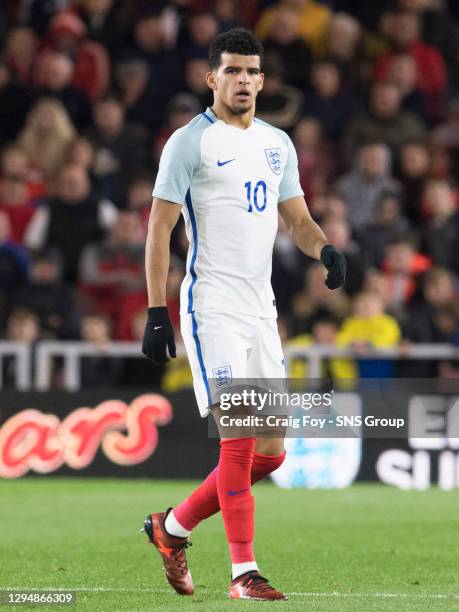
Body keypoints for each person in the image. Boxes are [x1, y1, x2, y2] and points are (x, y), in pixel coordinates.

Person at [140, 28, 346, 601]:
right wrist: (157, 310)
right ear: (211, 78)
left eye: (252, 72)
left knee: (273, 454)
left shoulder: (277, 143)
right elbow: (160, 227)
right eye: (232, 71)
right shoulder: (189, 143)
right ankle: (243, 574)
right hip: (213, 309)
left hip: (261, 310)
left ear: (263, 78)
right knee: (237, 439)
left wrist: (323, 249)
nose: (244, 81)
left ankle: (172, 527)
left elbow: (298, 220)